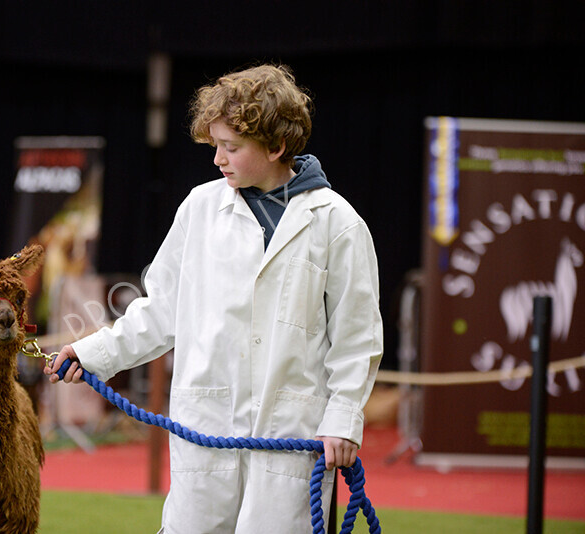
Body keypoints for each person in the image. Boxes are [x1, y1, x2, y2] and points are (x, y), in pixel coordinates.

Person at [45, 64, 383, 533]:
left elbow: (357, 336)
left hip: (291, 435)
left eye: (231, 147)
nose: (218, 159)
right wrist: (95, 353)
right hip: (206, 426)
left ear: (276, 146)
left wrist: (344, 419)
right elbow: (161, 309)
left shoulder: (338, 224)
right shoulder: (199, 209)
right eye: (215, 145)